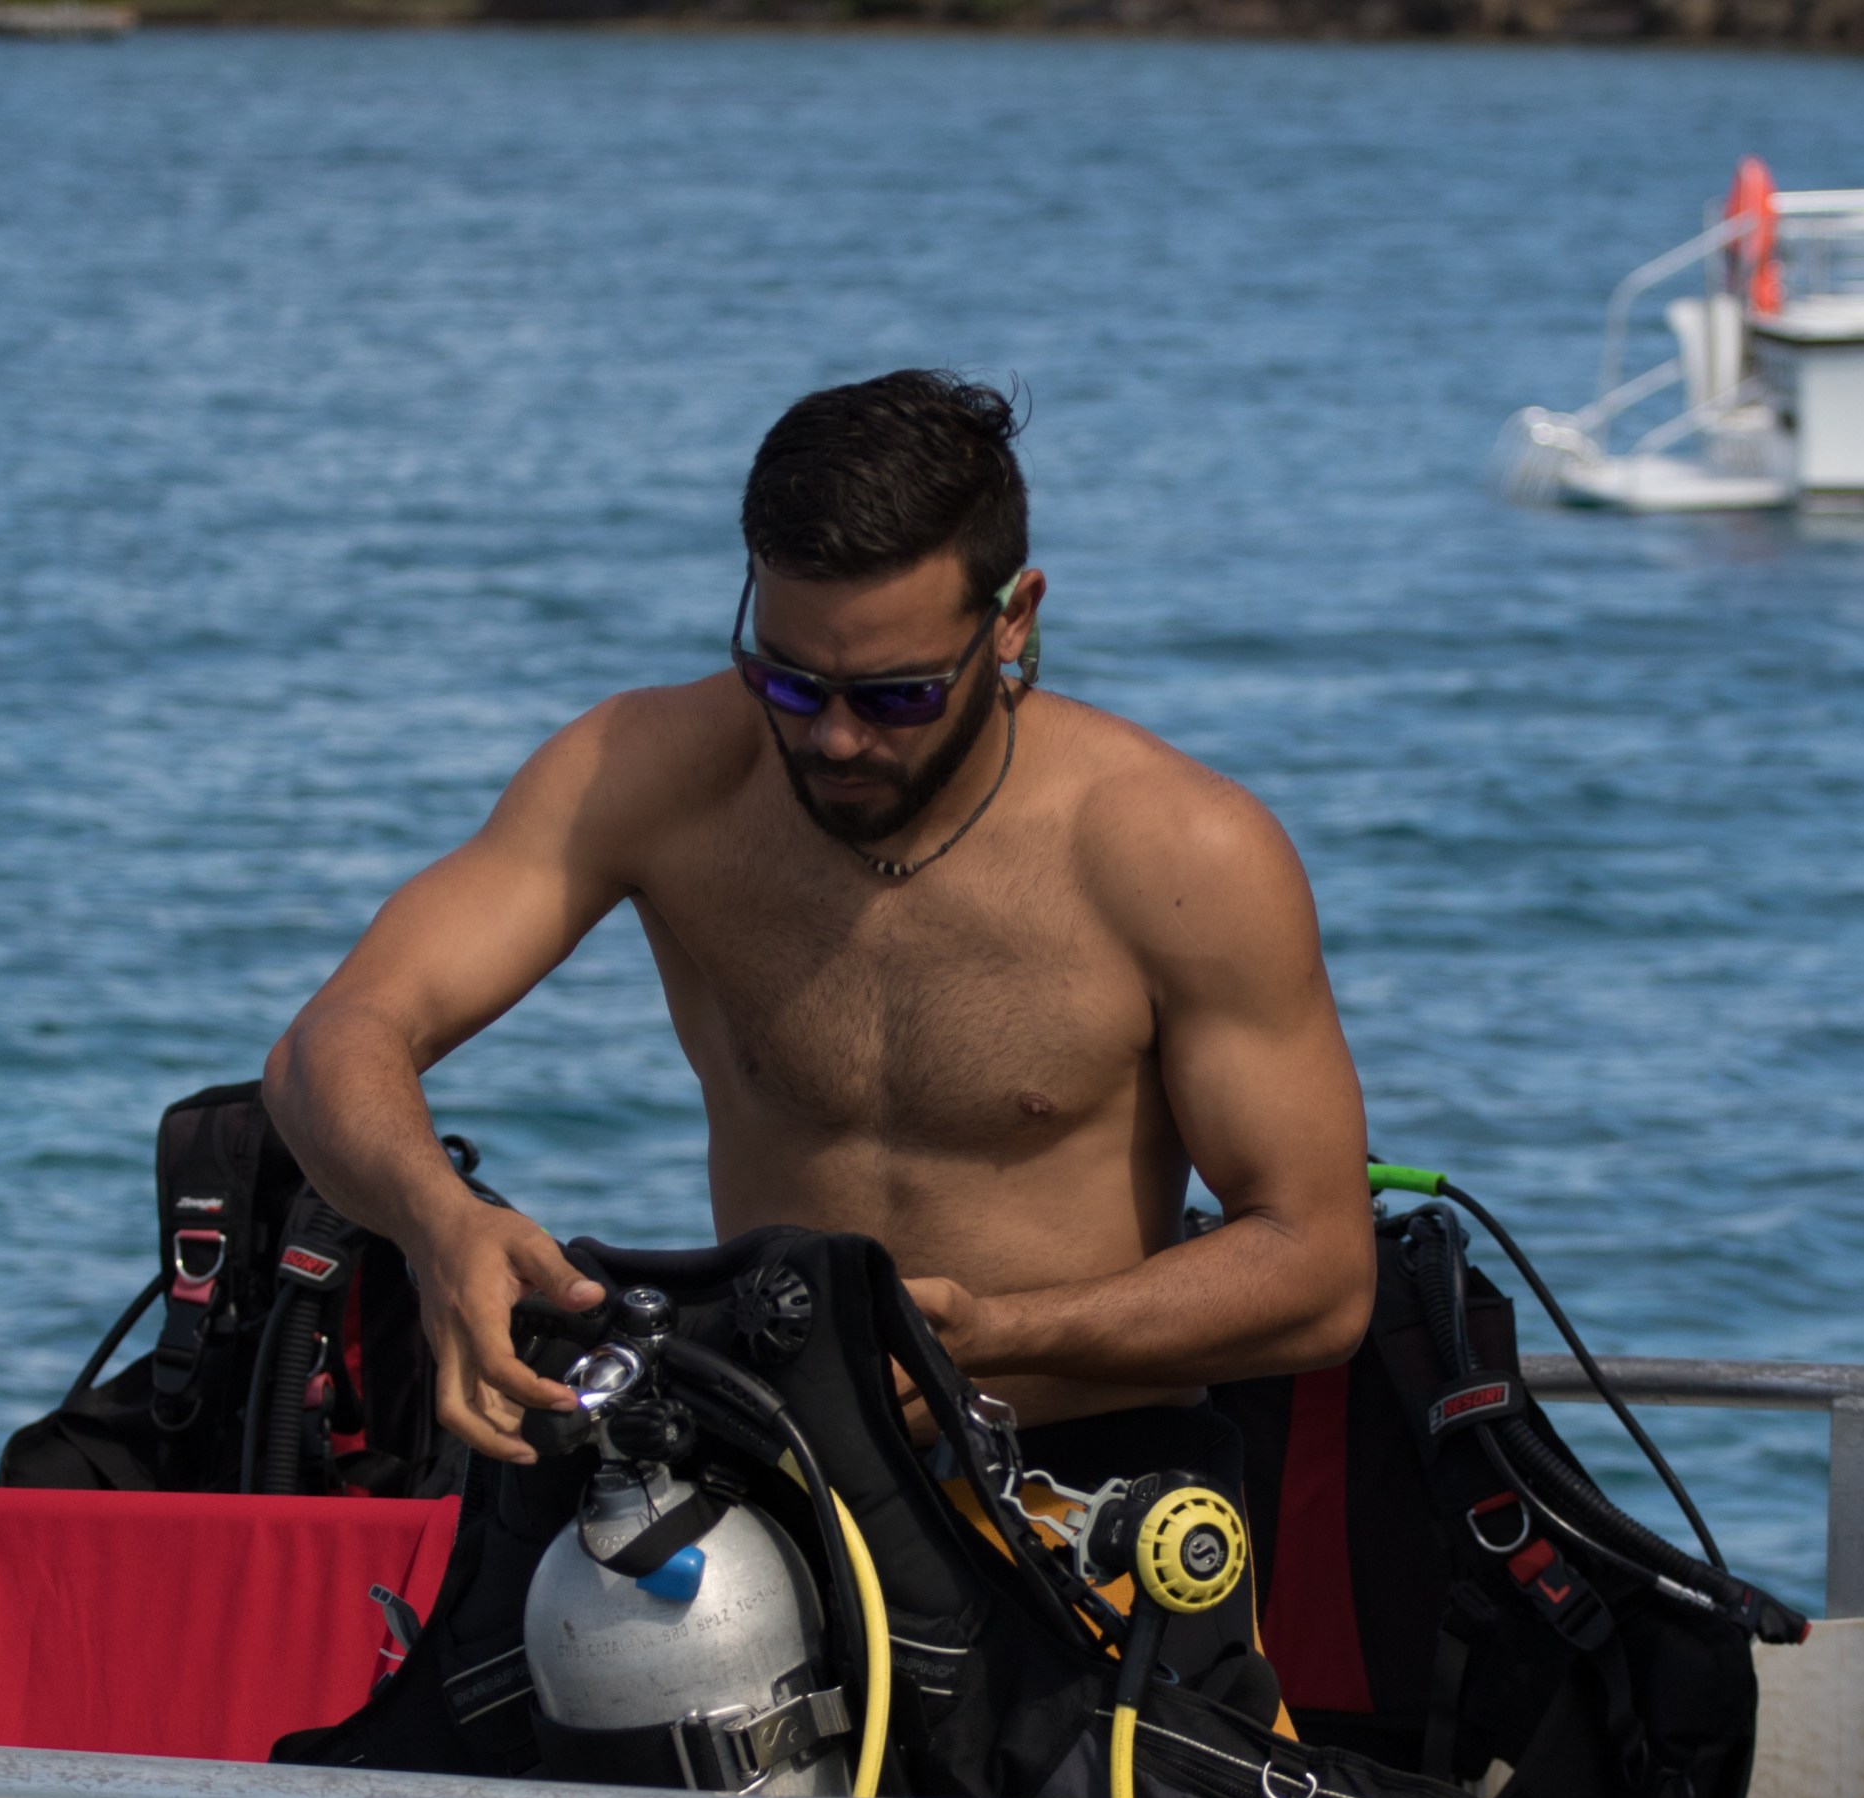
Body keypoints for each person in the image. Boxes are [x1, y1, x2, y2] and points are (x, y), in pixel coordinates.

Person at [264, 369, 1374, 1601]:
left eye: (899, 696)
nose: (836, 738)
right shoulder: (646, 774)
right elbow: (330, 1041)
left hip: (1081, 1489)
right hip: (769, 1481)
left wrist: (995, 1337)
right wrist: (438, 1224)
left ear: (1014, 619)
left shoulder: (1180, 853)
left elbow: (1321, 1274)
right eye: (789, 682)